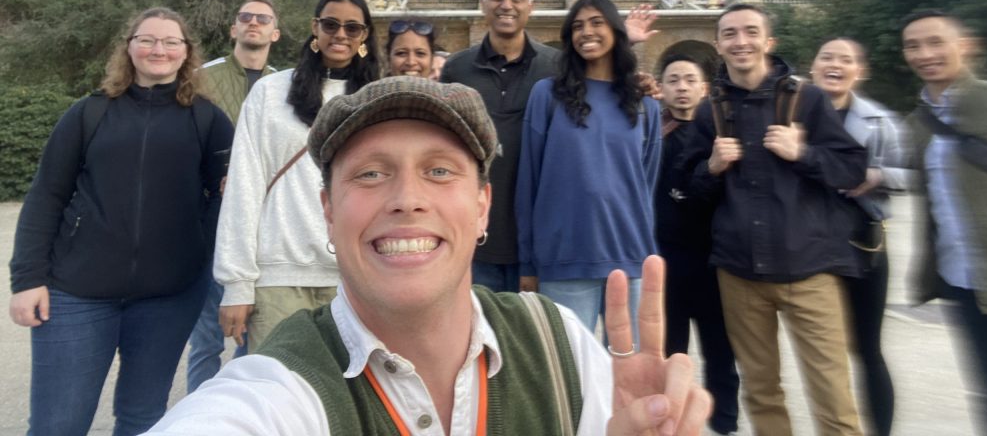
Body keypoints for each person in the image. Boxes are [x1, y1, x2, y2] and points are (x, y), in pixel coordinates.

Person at [146, 77, 712, 435]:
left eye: (440, 171)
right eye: (371, 173)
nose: (407, 199)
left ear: (484, 206)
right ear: (327, 210)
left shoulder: (561, 345)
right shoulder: (278, 388)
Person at [8, 7, 234, 436]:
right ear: (128, 47)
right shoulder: (87, 114)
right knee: (58, 424)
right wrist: (27, 279)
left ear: (186, 53)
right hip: (77, 294)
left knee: (143, 420)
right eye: (147, 39)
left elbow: (228, 195)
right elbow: (46, 196)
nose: (158, 49)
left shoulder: (208, 120)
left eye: (171, 41)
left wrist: (198, 247)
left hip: (169, 297)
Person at [679, 3, 867, 436]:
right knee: (762, 392)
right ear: (718, 45)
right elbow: (689, 190)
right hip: (740, 273)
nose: (740, 41)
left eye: (750, 32)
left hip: (810, 271)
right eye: (730, 33)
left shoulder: (808, 98)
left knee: (833, 397)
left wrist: (803, 154)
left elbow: (853, 169)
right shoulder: (711, 111)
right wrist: (711, 166)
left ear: (769, 42)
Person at [215, 0, 381, 351]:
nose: (340, 34)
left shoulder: (378, 99)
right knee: (277, 393)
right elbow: (246, 185)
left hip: (357, 277)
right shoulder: (269, 93)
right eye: (331, 24)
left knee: (350, 398)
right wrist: (237, 284)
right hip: (279, 275)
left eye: (352, 28)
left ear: (365, 36)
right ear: (314, 28)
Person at [901, 10, 987, 436]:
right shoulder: (919, 121)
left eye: (936, 42)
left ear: (965, 45)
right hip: (962, 279)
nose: (924, 54)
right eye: (914, 46)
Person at [516, 0, 662, 336]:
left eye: (597, 23)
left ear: (615, 31)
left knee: (631, 378)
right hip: (564, 258)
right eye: (578, 26)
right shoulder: (547, 95)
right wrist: (528, 261)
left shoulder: (646, 106)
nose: (586, 32)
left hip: (629, 258)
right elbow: (529, 182)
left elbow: (646, 186)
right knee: (569, 378)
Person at [810, 37, 911, 436]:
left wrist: (879, 176)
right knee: (823, 353)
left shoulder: (880, 120)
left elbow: (914, 173)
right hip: (809, 245)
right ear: (814, 66)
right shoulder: (790, 113)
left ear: (860, 71)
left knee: (868, 348)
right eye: (827, 57)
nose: (835, 65)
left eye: (845, 59)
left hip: (863, 243)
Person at [441, 0, 560, 292]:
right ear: (483, 4)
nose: (506, 5)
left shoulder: (556, 67)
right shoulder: (457, 68)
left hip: (540, 242)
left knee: (533, 339)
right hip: (476, 241)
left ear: (530, 7)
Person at [186, 0, 281, 393]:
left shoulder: (284, 84)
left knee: (252, 335)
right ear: (233, 29)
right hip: (212, 216)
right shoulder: (202, 79)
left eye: (262, 19)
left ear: (275, 33)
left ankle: (240, 411)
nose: (253, 23)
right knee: (206, 334)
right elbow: (185, 141)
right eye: (245, 17)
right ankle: (200, 413)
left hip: (264, 223)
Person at [656, 54, 740, 436]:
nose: (682, 87)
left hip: (712, 259)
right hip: (666, 256)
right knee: (672, 353)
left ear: (704, 88)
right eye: (673, 80)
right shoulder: (653, 134)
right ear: (661, 88)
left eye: (690, 80)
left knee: (720, 351)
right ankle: (669, 423)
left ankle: (724, 424)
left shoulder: (718, 134)